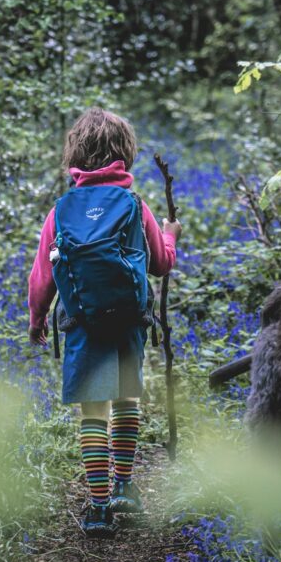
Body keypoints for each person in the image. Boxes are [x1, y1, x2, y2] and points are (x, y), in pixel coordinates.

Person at [27, 108, 181, 538]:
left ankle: (97, 509)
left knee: (92, 414)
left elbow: (42, 276)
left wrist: (37, 318)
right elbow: (161, 264)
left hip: (81, 323)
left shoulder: (60, 211)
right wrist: (171, 233)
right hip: (129, 321)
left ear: (75, 155)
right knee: (127, 400)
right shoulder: (135, 205)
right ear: (125, 154)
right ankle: (125, 487)